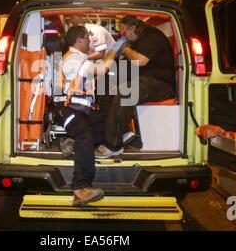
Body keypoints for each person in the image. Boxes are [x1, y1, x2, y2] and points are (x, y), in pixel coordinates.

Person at [57, 25, 125, 206]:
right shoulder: (74, 60)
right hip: (70, 111)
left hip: (81, 110)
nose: (91, 41)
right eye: (88, 38)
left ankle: (73, 143)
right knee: (85, 135)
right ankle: (81, 188)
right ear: (79, 40)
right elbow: (101, 70)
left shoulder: (80, 58)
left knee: (106, 123)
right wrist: (112, 52)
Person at [98, 15, 176, 158]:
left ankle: (112, 145)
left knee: (126, 91)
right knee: (105, 86)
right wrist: (105, 71)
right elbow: (113, 55)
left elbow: (140, 61)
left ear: (132, 28)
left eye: (124, 32)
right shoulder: (133, 38)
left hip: (161, 84)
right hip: (144, 80)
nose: (123, 36)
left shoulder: (151, 36)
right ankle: (121, 132)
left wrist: (126, 50)